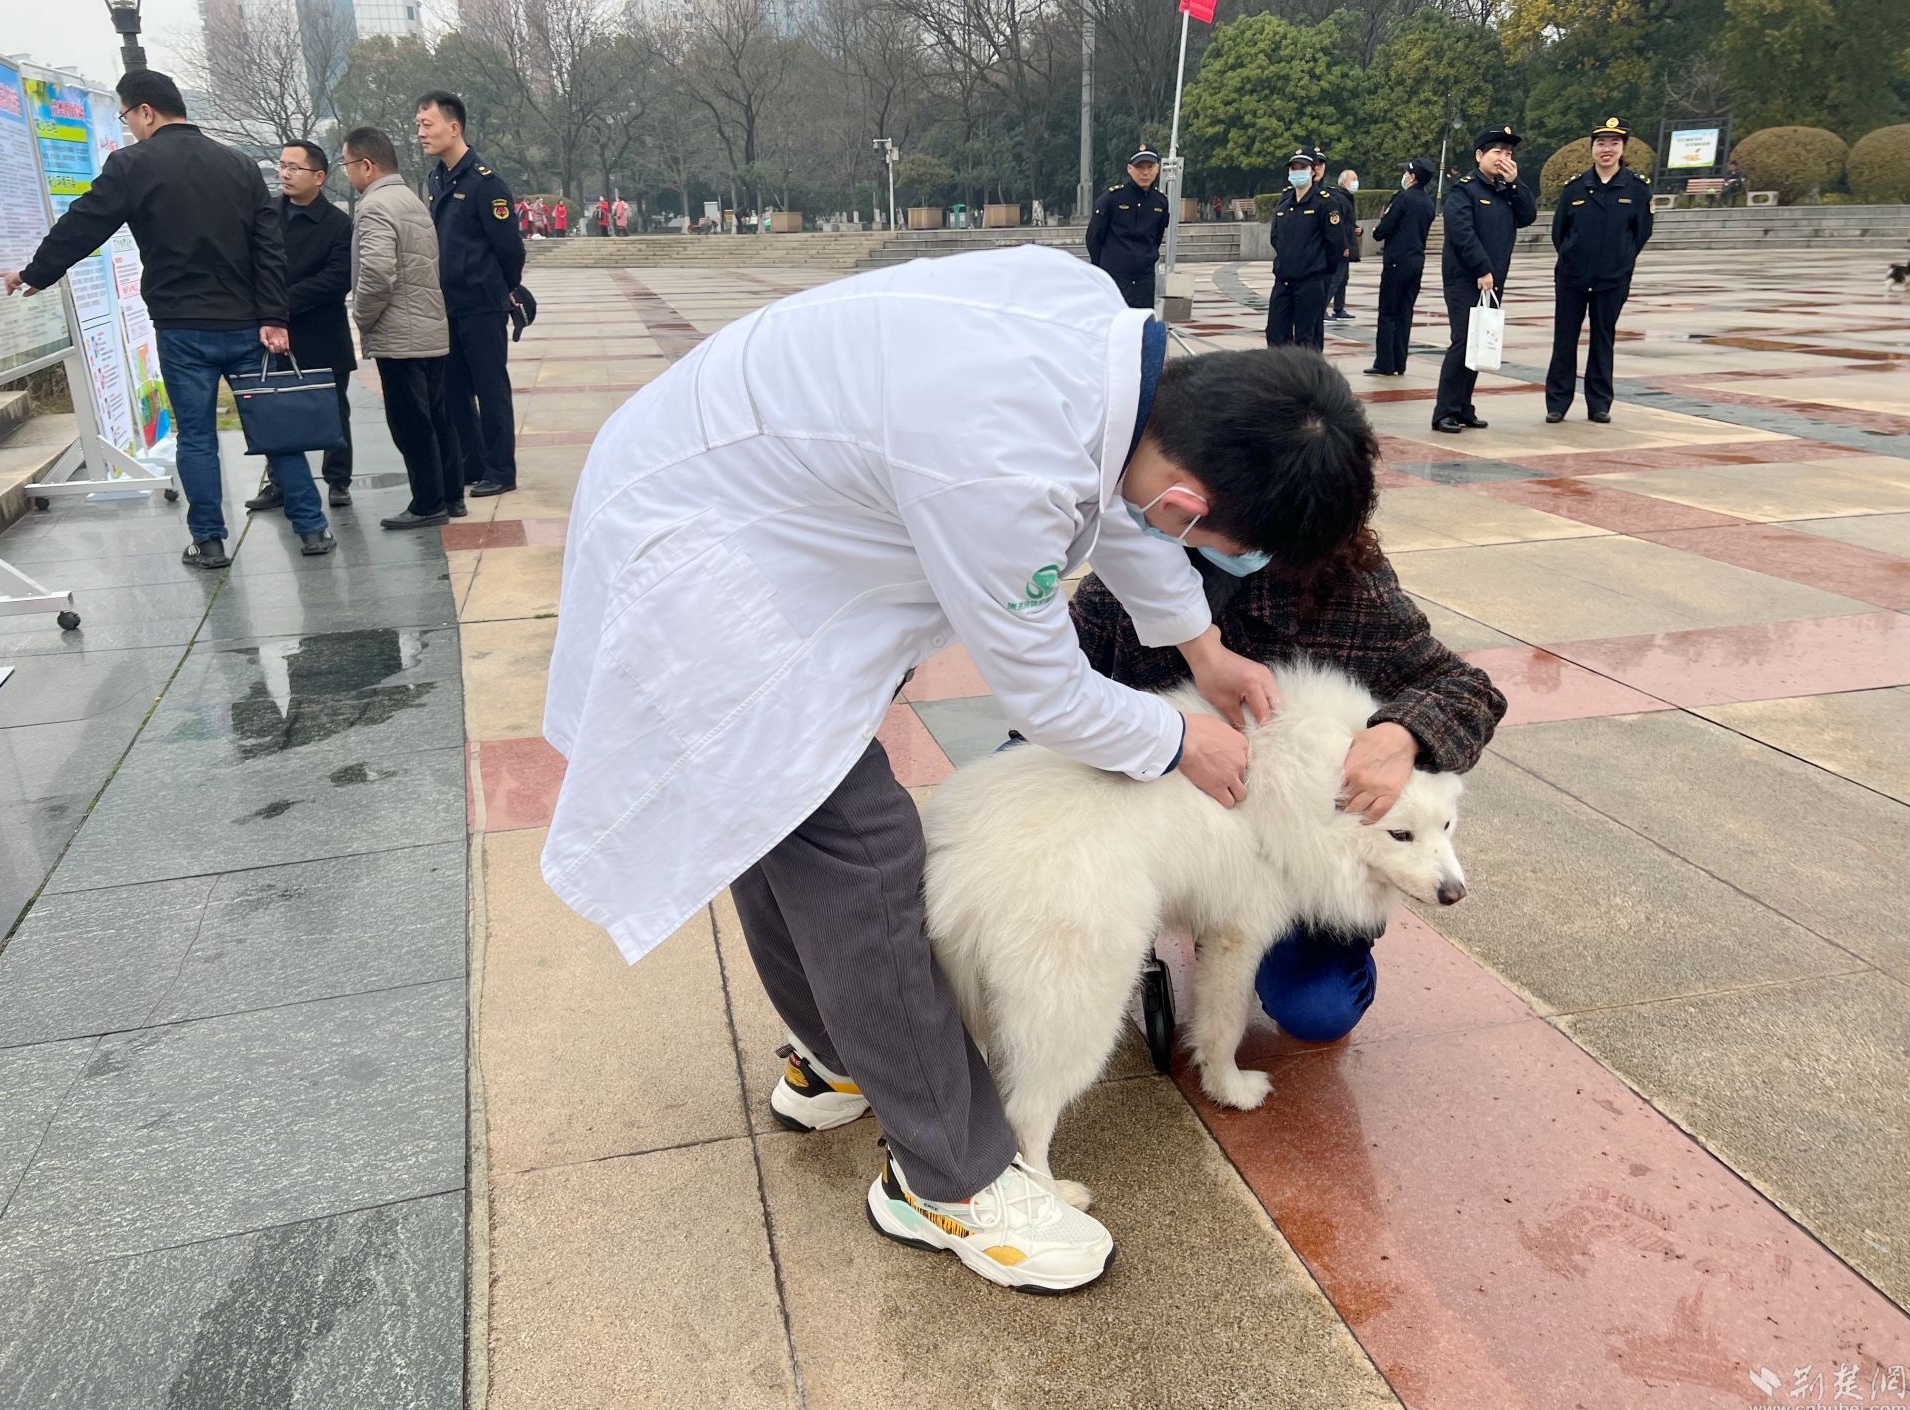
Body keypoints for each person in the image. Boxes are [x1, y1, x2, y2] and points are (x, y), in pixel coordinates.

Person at [543, 248, 1379, 1294]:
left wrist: (1201, 649)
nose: (1221, 561)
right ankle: (947, 1179)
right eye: (1226, 546)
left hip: (728, 489)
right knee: (859, 847)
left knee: (772, 809)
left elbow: (1120, 505)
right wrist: (1181, 740)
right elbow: (1045, 692)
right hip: (703, 556)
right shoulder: (1003, 465)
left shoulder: (1106, 349)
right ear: (1189, 503)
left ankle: (838, 1056)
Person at [1070, 534, 1504, 1046]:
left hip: (1303, 867)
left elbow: (1469, 690)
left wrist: (1404, 731)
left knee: (1319, 1008)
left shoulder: (1348, 583)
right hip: (1169, 838)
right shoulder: (1119, 579)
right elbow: (1055, 705)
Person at [0, 70, 331, 567]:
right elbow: (269, 249)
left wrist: (37, 272)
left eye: (127, 117)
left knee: (196, 437)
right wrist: (274, 316)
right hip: (247, 324)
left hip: (182, 328)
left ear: (146, 111)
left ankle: (209, 542)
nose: (130, 127)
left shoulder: (131, 165)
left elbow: (84, 224)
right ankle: (313, 530)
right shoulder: (239, 165)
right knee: (276, 428)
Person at [342, 126, 464, 530]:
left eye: (347, 164)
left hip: (400, 334)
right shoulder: (411, 199)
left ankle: (428, 503)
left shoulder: (375, 206)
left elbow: (378, 273)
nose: (347, 173)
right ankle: (451, 495)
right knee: (438, 417)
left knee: (411, 424)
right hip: (429, 328)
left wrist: (362, 316)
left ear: (366, 165)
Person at [419, 89, 525, 499]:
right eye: (419, 125)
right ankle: (474, 462)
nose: (421, 133)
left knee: (490, 388)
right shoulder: (436, 179)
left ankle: (501, 469)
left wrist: (504, 287)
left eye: (427, 124)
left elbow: (510, 248)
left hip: (482, 304)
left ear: (454, 127)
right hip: (448, 305)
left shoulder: (486, 183)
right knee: (455, 391)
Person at [248, 139, 355, 515]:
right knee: (276, 409)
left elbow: (337, 278)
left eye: (294, 168)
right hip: (274, 330)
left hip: (321, 330)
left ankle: (338, 480)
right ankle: (279, 482)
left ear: (319, 176)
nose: (285, 174)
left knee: (333, 409)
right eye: (282, 166)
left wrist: (281, 301)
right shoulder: (265, 214)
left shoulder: (338, 223)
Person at [1545, 117, 1653, 425]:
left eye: (1614, 143)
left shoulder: (1636, 188)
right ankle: (1557, 403)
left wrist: (1620, 260)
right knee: (1564, 340)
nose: (1607, 149)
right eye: (1601, 143)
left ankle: (1599, 403)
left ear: (1623, 148)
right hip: (1572, 278)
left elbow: (1641, 233)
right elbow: (1559, 232)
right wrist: (1573, 256)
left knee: (1603, 341)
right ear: (1592, 148)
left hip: (1612, 279)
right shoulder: (1575, 187)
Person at [1431, 124, 1537, 435]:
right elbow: (1462, 233)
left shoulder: (1505, 191)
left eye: (1509, 153)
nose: (1503, 158)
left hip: (1492, 280)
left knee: (1480, 342)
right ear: (1479, 155)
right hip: (1466, 278)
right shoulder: (1464, 190)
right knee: (1463, 340)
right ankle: (1444, 411)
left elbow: (1528, 216)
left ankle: (1464, 407)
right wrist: (1481, 268)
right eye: (1497, 151)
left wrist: (1516, 184)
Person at [1367, 156, 1436, 376]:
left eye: (1406, 172)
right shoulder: (1428, 202)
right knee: (1405, 312)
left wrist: (1376, 232)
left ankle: (1385, 363)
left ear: (1413, 177)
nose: (1404, 176)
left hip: (1397, 262)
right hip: (1416, 262)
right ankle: (1400, 361)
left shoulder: (1403, 198)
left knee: (1388, 312)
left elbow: (1385, 227)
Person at [1264, 149, 1335, 350]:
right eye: (1293, 168)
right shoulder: (1285, 204)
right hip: (1284, 280)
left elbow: (1334, 244)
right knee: (1275, 334)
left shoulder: (1324, 203)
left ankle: (1308, 371)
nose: (1297, 172)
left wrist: (1318, 267)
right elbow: (1276, 237)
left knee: (1307, 337)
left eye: (1302, 168)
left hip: (1310, 281)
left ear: (1313, 171)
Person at [1084, 143, 1170, 309]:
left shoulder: (1160, 202)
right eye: (1140, 167)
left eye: (1150, 167)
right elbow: (1094, 238)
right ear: (1130, 169)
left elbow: (1156, 238)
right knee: (1115, 321)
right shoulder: (1112, 198)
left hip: (1144, 279)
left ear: (1157, 169)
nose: (1145, 173)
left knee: (1143, 321)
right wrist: (1103, 269)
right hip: (1116, 277)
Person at [1306, 147, 1349, 346]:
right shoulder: (1290, 197)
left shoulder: (1329, 198)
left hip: (1319, 269)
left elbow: (1336, 237)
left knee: (1313, 330)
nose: (1318, 168)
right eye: (1314, 163)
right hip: (1296, 270)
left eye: (1321, 164)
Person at [1326, 166, 1362, 321]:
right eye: (1354, 179)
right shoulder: (1339, 198)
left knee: (1343, 278)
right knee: (1335, 278)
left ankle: (1339, 308)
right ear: (1345, 181)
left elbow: (1347, 222)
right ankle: (1322, 308)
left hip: (1347, 242)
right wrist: (1343, 245)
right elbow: (1338, 224)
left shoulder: (1346, 198)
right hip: (1341, 246)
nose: (1356, 182)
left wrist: (1356, 228)